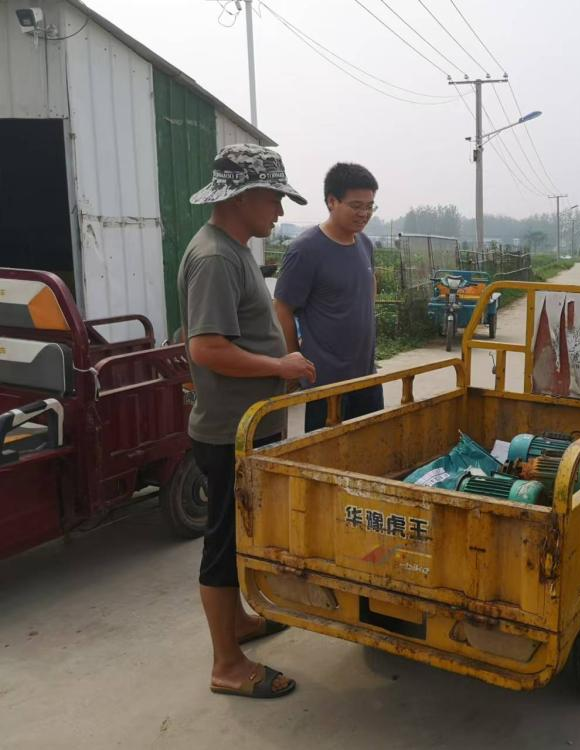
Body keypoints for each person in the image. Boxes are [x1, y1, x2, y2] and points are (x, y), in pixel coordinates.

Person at [179, 143, 316, 699]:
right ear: (242, 196)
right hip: (229, 431)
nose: (280, 211)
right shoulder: (215, 257)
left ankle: (236, 622)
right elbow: (206, 348)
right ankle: (227, 666)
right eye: (274, 198)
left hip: (248, 425)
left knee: (237, 535)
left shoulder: (232, 251)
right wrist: (279, 366)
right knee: (223, 542)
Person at [273, 162, 382, 431]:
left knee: (371, 445)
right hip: (326, 383)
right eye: (356, 206)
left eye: (369, 206)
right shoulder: (306, 250)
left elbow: (368, 288)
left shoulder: (364, 244)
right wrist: (295, 359)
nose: (364, 214)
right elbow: (282, 308)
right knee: (328, 453)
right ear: (332, 201)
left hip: (366, 376)